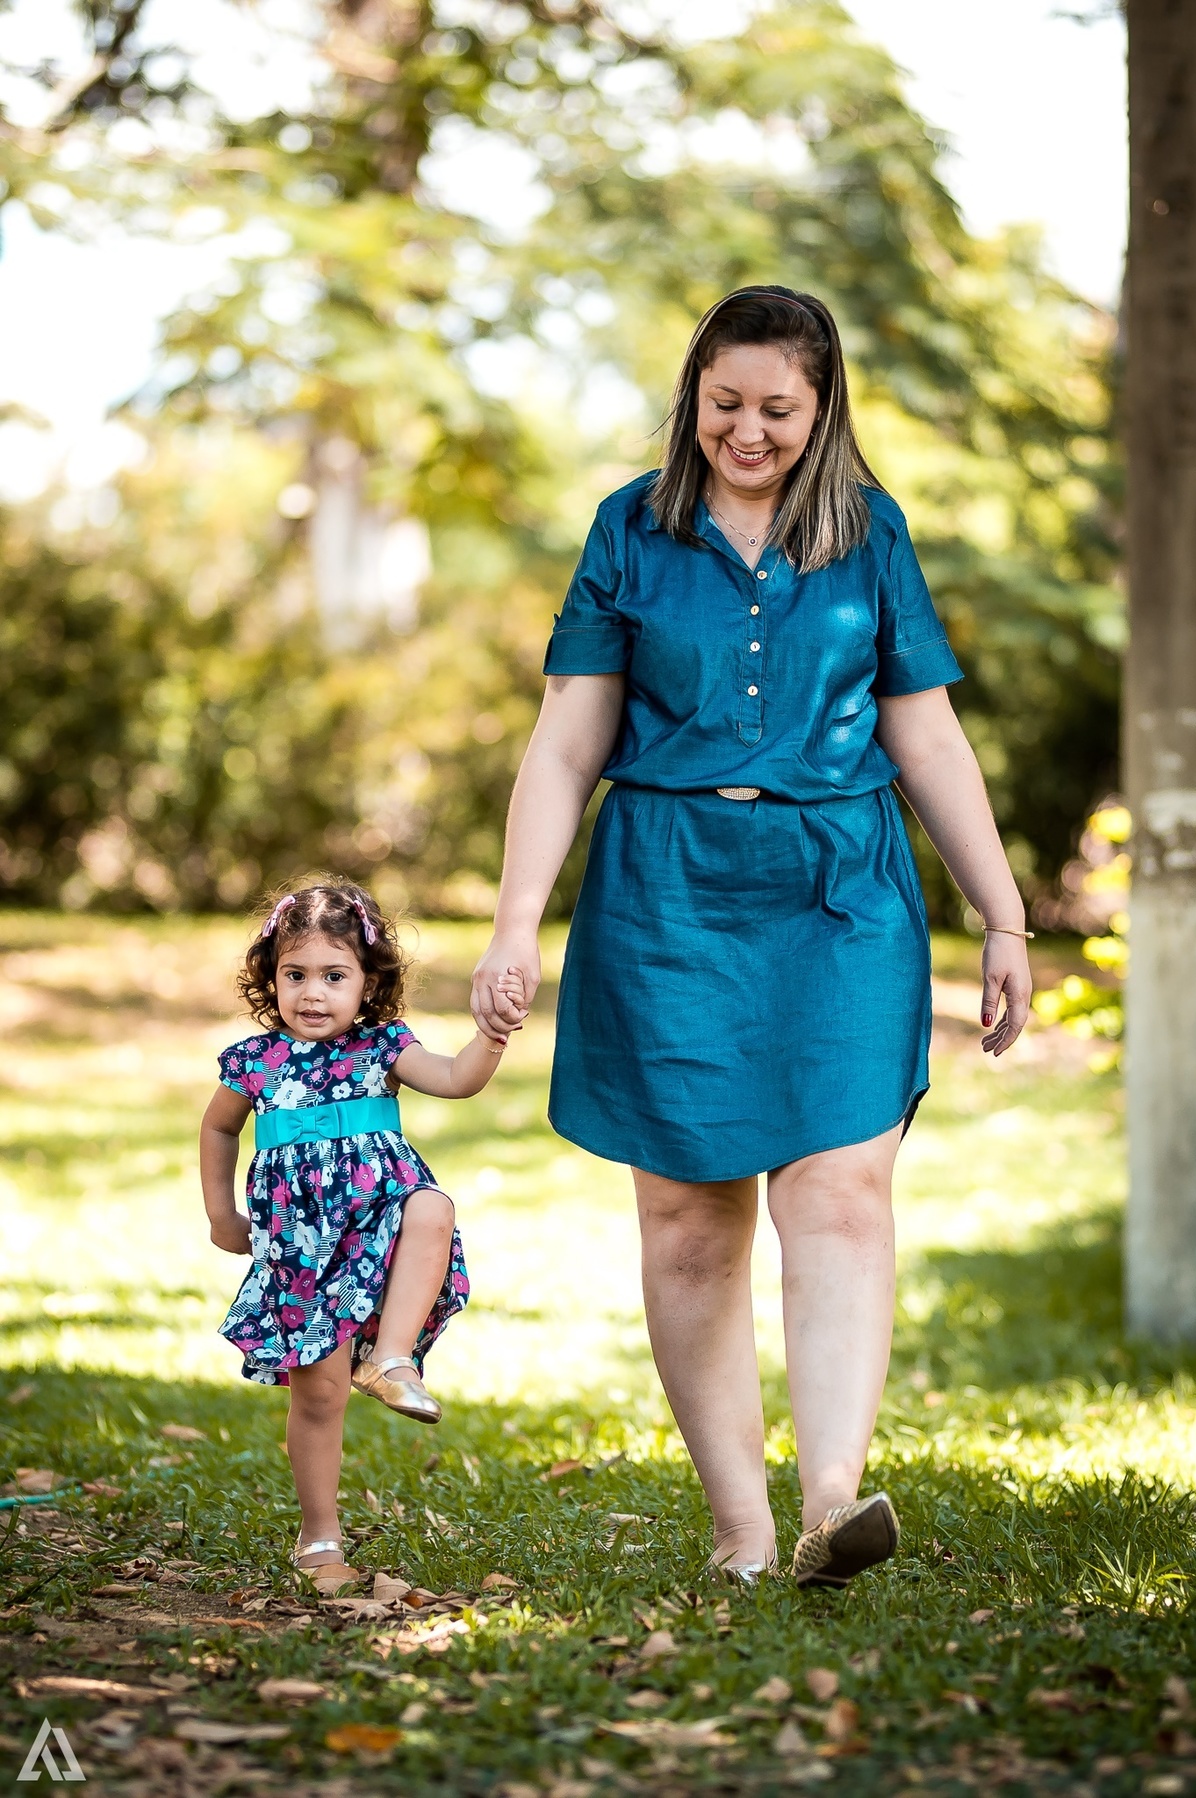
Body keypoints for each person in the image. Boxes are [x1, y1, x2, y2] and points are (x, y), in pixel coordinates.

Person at [471, 286, 1032, 1590]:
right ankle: (741, 1523)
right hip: (664, 893)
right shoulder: (631, 527)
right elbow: (566, 739)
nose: (749, 430)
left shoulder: (870, 532)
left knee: (839, 1186)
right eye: (725, 403)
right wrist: (514, 919)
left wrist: (1001, 914)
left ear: (823, 407)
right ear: (692, 397)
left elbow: (928, 732)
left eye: (779, 408)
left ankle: (834, 1493)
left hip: (840, 888)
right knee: (686, 1217)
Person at [200, 879, 523, 1596]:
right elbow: (219, 1127)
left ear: (368, 982)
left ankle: (395, 1357)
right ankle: (318, 1534)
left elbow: (455, 1078)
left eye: (334, 976)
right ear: (271, 978)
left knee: (431, 1205)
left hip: (380, 1223)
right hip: (300, 1250)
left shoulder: (383, 1048)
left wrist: (492, 1034)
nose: (313, 994)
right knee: (318, 1396)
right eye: (295, 975)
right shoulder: (255, 1061)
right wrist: (222, 1216)